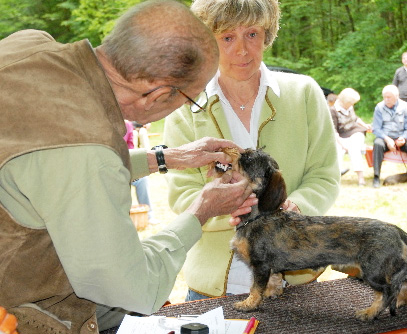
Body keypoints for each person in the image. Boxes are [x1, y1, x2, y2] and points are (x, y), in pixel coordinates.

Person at [0, 1, 254, 333]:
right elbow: (136, 290)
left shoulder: (28, 44)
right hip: (27, 309)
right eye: (191, 99)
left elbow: (42, 167)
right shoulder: (86, 150)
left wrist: (166, 158)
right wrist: (202, 210)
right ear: (158, 95)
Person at [164, 0, 340, 302]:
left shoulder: (305, 93)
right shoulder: (185, 108)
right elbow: (182, 195)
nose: (242, 50)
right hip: (213, 290)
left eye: (252, 34)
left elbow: (324, 175)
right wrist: (224, 209)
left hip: (298, 279)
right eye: (227, 37)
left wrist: (296, 207)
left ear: (267, 35)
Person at [330, 88, 371, 186]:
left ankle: (361, 177)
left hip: (355, 131)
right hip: (340, 135)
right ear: (344, 101)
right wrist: (342, 143)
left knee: (354, 148)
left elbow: (355, 119)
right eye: (351, 103)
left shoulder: (349, 107)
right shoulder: (333, 110)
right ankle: (337, 175)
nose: (352, 105)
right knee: (338, 149)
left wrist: (365, 125)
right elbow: (333, 131)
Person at [372, 85, 407, 188]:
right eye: (385, 97)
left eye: (389, 97)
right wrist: (387, 139)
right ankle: (376, 177)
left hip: (401, 137)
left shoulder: (405, 107)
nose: (386, 100)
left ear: (396, 96)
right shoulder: (379, 107)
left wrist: (403, 138)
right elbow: (376, 128)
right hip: (385, 137)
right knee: (377, 144)